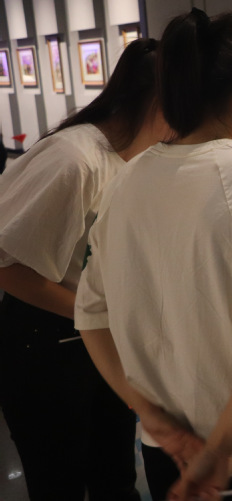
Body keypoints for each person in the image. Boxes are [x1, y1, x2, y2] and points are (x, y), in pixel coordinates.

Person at [75, 8, 232, 501]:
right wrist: (220, 451)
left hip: (168, 453)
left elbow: (91, 317)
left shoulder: (127, 179)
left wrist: (154, 420)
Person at [0, 37, 167, 501]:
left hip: (96, 338)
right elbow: (8, 266)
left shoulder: (134, 158)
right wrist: (98, 314)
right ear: (158, 101)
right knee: (60, 485)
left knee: (115, 477)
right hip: (47, 345)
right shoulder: (74, 159)